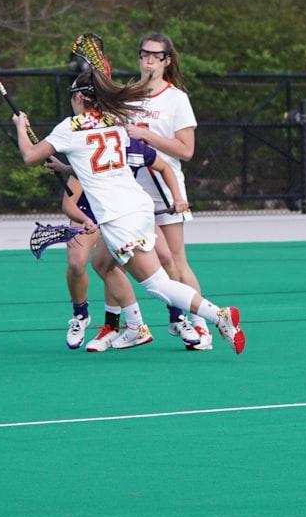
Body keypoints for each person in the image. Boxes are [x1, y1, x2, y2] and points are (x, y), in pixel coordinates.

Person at [14, 70, 246, 354]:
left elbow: (29, 156)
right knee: (102, 264)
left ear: (78, 98)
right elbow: (100, 163)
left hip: (118, 218)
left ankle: (217, 315)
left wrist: (20, 126)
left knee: (157, 283)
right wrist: (66, 167)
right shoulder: (115, 123)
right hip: (138, 207)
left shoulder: (70, 127)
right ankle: (135, 328)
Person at [53, 138, 197, 352]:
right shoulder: (88, 147)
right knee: (77, 263)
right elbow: (72, 198)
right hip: (88, 213)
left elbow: (164, 166)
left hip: (123, 213)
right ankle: (83, 316)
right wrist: (84, 218)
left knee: (165, 256)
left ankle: (177, 318)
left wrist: (177, 198)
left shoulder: (132, 147)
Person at [125, 32, 210, 350]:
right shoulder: (129, 95)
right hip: (131, 193)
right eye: (143, 54)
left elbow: (186, 150)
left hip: (166, 188)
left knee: (174, 259)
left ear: (166, 60)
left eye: (154, 56)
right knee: (128, 260)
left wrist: (146, 136)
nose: (147, 61)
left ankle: (201, 324)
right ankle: (130, 324)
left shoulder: (177, 100)